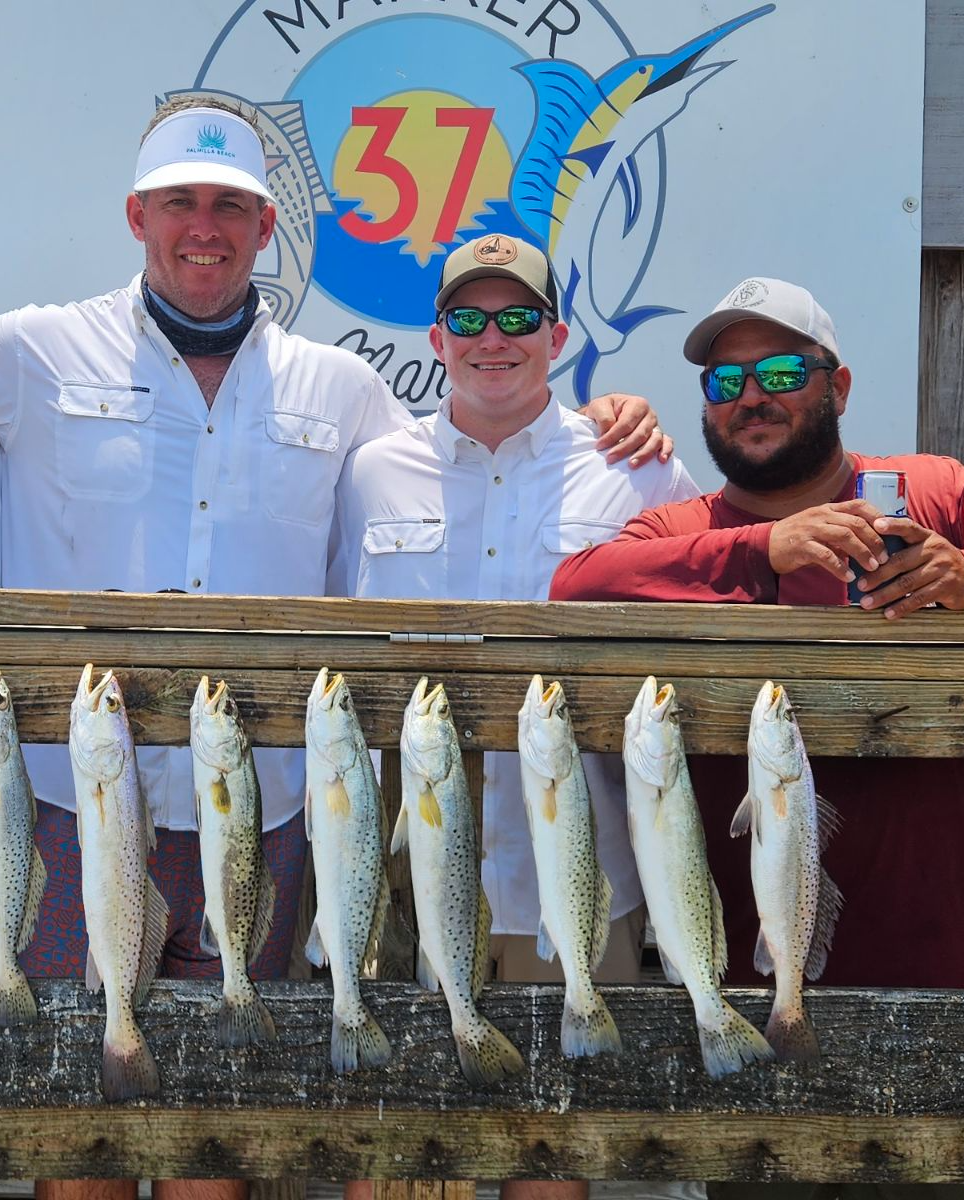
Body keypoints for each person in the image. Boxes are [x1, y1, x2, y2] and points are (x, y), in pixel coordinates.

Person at [0, 96, 665, 1200]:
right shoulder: (30, 349)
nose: (203, 226)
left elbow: (469, 451)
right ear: (137, 215)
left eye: (232, 205)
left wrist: (612, 415)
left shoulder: (345, 393)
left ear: (269, 230)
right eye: (181, 202)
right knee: (77, 1119)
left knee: (224, 1114)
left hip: (266, 814)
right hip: (69, 804)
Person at [550, 276, 964, 1200]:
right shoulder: (686, 528)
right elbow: (577, 587)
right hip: (754, 996)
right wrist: (760, 550)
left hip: (942, 983)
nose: (750, 396)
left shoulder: (933, 493)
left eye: (780, 370)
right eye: (723, 379)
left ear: (840, 386)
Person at [332, 234, 698, 1200]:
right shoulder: (371, 471)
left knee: (550, 1148)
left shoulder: (641, 473)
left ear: (558, 333)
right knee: (393, 1141)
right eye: (469, 318)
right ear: (437, 336)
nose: (494, 338)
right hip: (404, 870)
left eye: (517, 317)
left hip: (577, 865)